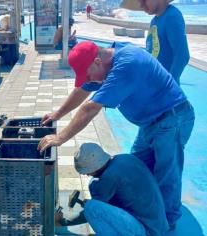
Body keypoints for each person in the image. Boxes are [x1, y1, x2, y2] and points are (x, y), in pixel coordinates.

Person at [38, 41, 195, 230]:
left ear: (97, 61)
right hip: (150, 123)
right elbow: (82, 90)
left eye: (88, 74)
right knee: (137, 170)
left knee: (166, 174)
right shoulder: (106, 61)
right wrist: (57, 115)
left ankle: (166, 225)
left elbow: (90, 108)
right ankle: (141, 215)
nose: (89, 80)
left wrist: (61, 137)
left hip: (172, 119)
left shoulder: (127, 65)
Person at [56, 143, 169, 235]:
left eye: (86, 172)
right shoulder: (125, 158)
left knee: (91, 208)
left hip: (146, 231)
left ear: (94, 167)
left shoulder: (108, 178)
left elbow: (88, 213)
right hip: (158, 226)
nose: (86, 175)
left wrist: (63, 221)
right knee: (95, 196)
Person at [139, 0, 189, 85]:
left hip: (164, 90)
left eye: (144, 0)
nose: (141, 5)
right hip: (154, 86)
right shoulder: (154, 21)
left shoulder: (172, 16)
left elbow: (182, 55)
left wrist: (169, 84)